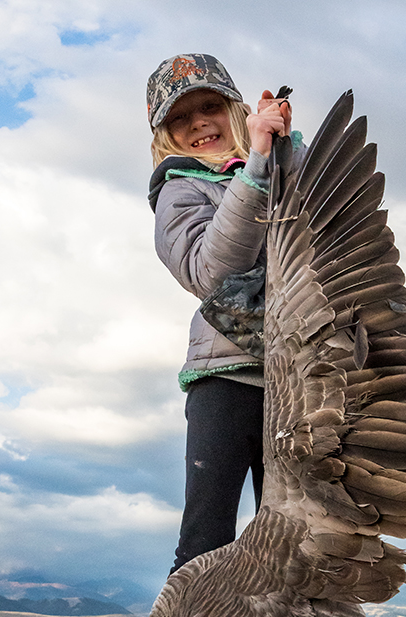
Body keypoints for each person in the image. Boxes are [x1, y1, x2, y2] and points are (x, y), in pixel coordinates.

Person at [146, 54, 304, 573]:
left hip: (303, 378)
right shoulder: (179, 190)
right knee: (205, 541)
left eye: (211, 105)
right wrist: (256, 166)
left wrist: (282, 147)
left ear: (236, 110)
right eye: (179, 118)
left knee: (292, 542)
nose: (198, 123)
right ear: (165, 137)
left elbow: (326, 234)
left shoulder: (280, 164)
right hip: (227, 375)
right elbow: (211, 273)